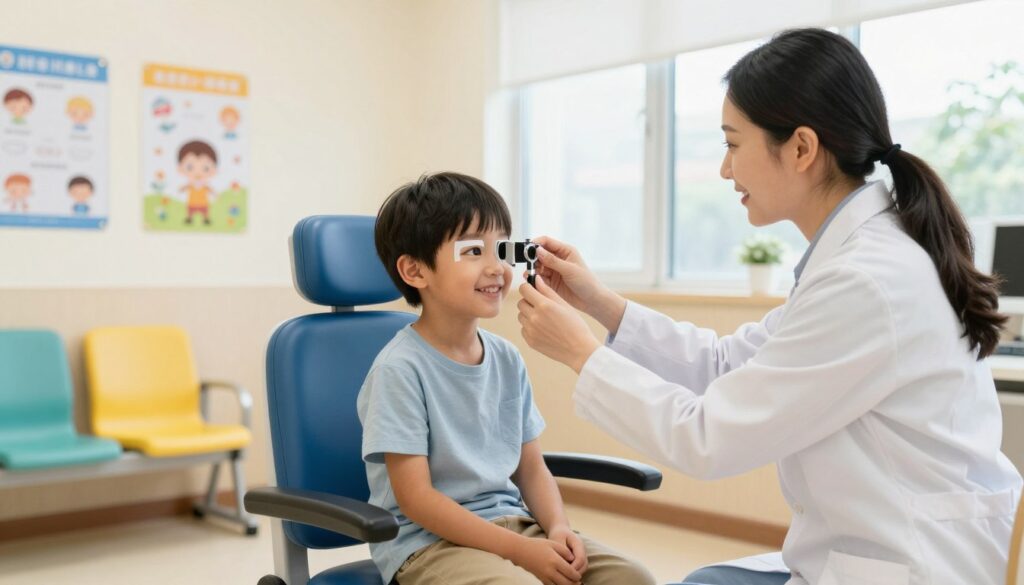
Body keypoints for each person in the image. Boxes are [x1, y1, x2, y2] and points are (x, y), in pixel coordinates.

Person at [516, 28, 1022, 585]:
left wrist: (580, 354)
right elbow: (723, 365)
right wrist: (600, 304)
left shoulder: (867, 281)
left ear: (801, 148)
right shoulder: (858, 258)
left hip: (914, 564)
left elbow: (707, 438)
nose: (724, 169)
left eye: (733, 144)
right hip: (874, 549)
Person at [358, 172, 655, 585]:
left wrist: (557, 529)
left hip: (513, 523)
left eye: (500, 249)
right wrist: (521, 552)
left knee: (631, 577)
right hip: (428, 545)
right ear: (415, 271)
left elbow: (531, 469)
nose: (497, 267)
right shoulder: (399, 370)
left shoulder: (506, 358)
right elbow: (417, 500)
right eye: (474, 250)